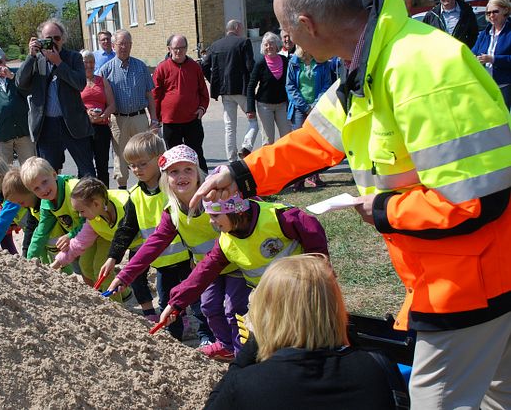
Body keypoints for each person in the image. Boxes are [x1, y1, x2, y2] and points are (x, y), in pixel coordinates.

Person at [192, 0, 511, 407]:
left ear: (307, 25)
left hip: (473, 283)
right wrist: (241, 173)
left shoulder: (421, 68)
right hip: (462, 274)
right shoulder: (370, 67)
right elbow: (314, 139)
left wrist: (382, 209)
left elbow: (476, 200)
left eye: (287, 31)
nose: (288, 42)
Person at [204, 255, 407, 410]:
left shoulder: (246, 384)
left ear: (267, 316)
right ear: (335, 307)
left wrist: (254, 343)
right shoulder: (379, 365)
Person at [156, 189, 328, 358]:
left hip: (301, 294)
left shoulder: (277, 218)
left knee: (309, 340)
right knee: (275, 345)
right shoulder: (226, 240)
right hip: (266, 301)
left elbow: (311, 230)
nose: (210, 222)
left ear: (235, 211)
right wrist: (176, 303)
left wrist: (319, 273)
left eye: (215, 215)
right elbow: (203, 271)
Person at [106, 145, 238, 359]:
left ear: (198, 174)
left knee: (234, 308)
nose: (182, 176)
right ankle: (227, 346)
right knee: (209, 307)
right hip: (208, 270)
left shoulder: (213, 199)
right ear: (165, 178)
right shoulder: (172, 211)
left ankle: (243, 349)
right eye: (174, 172)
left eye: (188, 170)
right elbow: (153, 244)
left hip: (236, 263)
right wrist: (125, 275)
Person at [17, 19, 95, 178]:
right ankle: (54, 202)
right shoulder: (37, 60)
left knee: (87, 170)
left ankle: (88, 200)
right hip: (47, 126)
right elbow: (20, 83)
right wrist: (30, 56)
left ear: (63, 39)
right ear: (40, 40)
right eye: (48, 39)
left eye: (56, 38)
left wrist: (59, 63)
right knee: (48, 174)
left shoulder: (73, 57)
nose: (52, 43)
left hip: (73, 123)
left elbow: (80, 84)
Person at [49, 177, 134, 303]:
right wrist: (56, 264)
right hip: (108, 235)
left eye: (81, 211)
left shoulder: (125, 206)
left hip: (135, 240)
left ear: (96, 203)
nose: (79, 215)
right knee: (86, 265)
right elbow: (78, 243)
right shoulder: (93, 218)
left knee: (101, 267)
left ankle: (116, 306)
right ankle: (109, 295)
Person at [98, 30, 161, 189]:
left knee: (143, 153)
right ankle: (123, 190)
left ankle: (146, 188)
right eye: (121, 44)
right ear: (114, 46)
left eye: (127, 44)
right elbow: (101, 97)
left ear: (131, 45)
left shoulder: (141, 66)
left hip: (139, 117)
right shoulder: (106, 70)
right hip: (118, 119)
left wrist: (154, 119)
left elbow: (149, 95)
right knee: (120, 155)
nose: (124, 47)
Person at [153, 34, 210, 172]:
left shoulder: (194, 67)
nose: (179, 51)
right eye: (175, 48)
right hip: (170, 121)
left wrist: (202, 108)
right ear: (169, 49)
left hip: (192, 119)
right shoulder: (162, 68)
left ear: (186, 48)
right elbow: (155, 94)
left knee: (196, 155)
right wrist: (156, 118)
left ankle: (203, 184)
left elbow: (203, 91)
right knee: (173, 157)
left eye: (182, 48)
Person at [202, 19, 255, 162]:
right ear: (237, 27)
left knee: (230, 127)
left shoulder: (215, 45)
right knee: (254, 121)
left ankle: (232, 160)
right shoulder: (244, 42)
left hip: (225, 91)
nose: (242, 31)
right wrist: (254, 85)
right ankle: (246, 146)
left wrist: (213, 81)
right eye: (242, 28)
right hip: (242, 89)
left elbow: (204, 65)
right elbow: (250, 66)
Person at [285, 46, 335, 189]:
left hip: (317, 107)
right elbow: (290, 86)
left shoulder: (322, 62)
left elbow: (327, 84)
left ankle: (314, 175)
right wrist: (304, 106)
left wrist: (315, 104)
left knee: (316, 142)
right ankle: (299, 178)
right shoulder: (294, 62)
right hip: (299, 108)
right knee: (300, 144)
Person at [1, 168, 66, 270]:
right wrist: (26, 254)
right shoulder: (31, 207)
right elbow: (30, 231)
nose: (21, 206)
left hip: (63, 247)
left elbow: (40, 233)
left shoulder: (46, 205)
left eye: (21, 202)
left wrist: (28, 256)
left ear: (31, 191)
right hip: (49, 247)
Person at [241, 32, 291, 158]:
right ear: (263, 47)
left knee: (287, 137)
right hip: (264, 106)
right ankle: (269, 167)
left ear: (277, 45)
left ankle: (286, 164)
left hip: (282, 105)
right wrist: (250, 109)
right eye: (266, 44)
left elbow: (290, 83)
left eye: (272, 43)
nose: (269, 47)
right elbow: (251, 86)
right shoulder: (260, 63)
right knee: (268, 141)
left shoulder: (285, 61)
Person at [80, 50, 116, 187]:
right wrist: (86, 114)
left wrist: (102, 116)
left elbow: (112, 105)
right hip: (84, 128)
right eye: (85, 62)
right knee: (85, 165)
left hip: (101, 127)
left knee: (102, 165)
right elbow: (72, 105)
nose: (89, 65)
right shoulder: (77, 81)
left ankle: (104, 195)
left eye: (91, 62)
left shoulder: (102, 81)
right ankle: (87, 194)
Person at [472, 0, 511, 110]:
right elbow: (474, 51)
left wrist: (493, 59)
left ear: (506, 10)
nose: (491, 16)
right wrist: (474, 57)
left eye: (495, 12)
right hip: (486, 85)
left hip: (504, 85)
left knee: (503, 120)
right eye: (488, 13)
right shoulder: (485, 32)